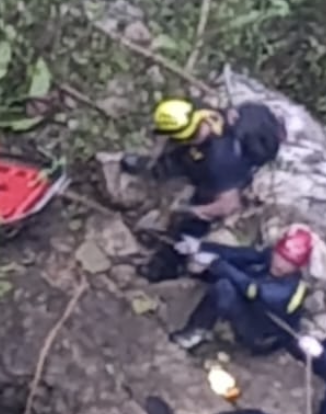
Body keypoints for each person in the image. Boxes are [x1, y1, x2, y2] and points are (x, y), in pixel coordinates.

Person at [126, 97, 285, 280]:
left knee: (191, 223)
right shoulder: (196, 111)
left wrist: (194, 210)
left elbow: (229, 205)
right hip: (203, 152)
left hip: (228, 171)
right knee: (180, 157)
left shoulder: (221, 161)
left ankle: (168, 264)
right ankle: (155, 169)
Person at [170, 226, 312, 353]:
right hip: (253, 310)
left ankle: (198, 332)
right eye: (280, 256)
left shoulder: (289, 289)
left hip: (261, 336)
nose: (280, 264)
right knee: (237, 269)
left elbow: (252, 290)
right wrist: (202, 247)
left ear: (298, 267)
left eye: (289, 263)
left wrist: (215, 263)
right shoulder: (271, 257)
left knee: (224, 288)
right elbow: (242, 255)